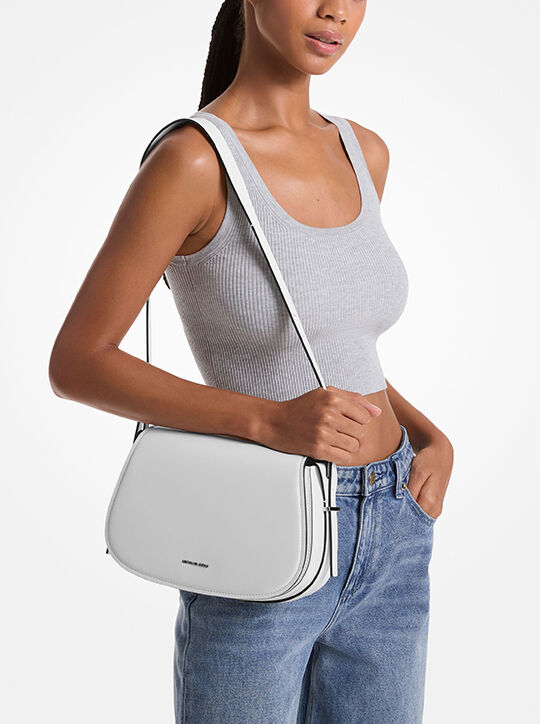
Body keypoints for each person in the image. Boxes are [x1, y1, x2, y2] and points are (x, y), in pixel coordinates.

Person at [49, 1, 454, 722]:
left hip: (394, 524)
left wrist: (430, 438)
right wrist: (268, 422)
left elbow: (334, 347)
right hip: (263, 526)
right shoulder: (194, 161)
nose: (335, 11)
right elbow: (78, 362)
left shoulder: (364, 152)